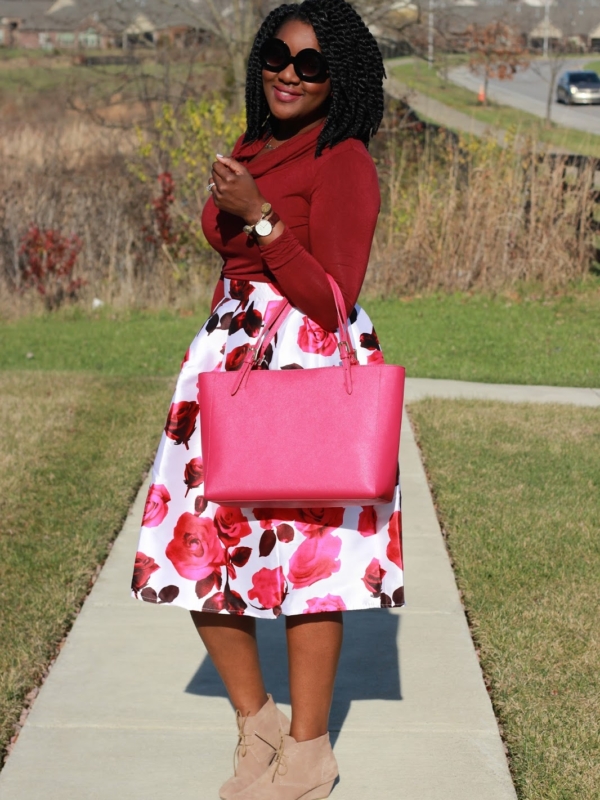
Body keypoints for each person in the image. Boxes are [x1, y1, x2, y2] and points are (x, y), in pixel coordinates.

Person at [131, 1, 404, 798]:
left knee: (303, 560)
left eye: (312, 63)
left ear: (339, 76)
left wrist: (259, 216)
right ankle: (258, 728)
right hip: (228, 356)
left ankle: (311, 750)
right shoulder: (256, 145)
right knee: (196, 550)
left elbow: (332, 297)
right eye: (278, 56)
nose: (290, 73)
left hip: (302, 366)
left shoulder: (344, 156)